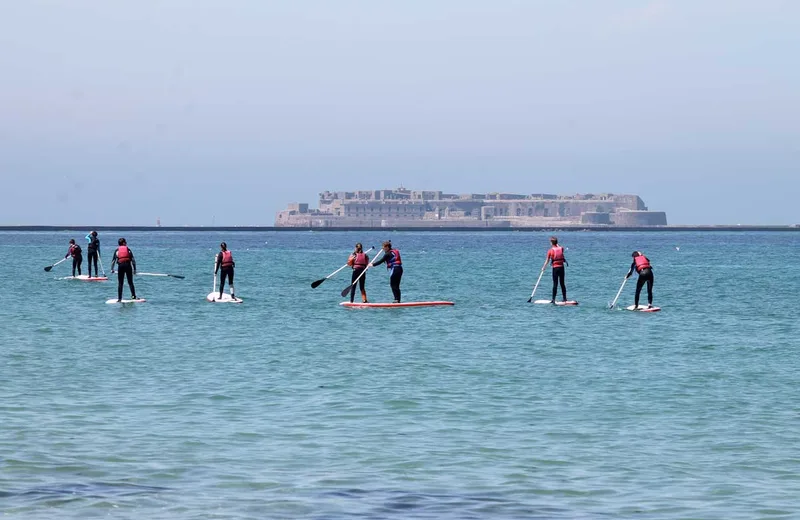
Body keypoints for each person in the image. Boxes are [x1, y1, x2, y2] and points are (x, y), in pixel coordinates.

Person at [541, 236, 568, 303]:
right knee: (562, 283)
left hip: (555, 268)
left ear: (551, 243)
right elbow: (560, 247)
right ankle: (564, 298)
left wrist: (543, 267)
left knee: (555, 284)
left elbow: (547, 260)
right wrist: (557, 244)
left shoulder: (550, 251)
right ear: (557, 242)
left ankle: (553, 299)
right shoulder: (561, 248)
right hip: (561, 268)